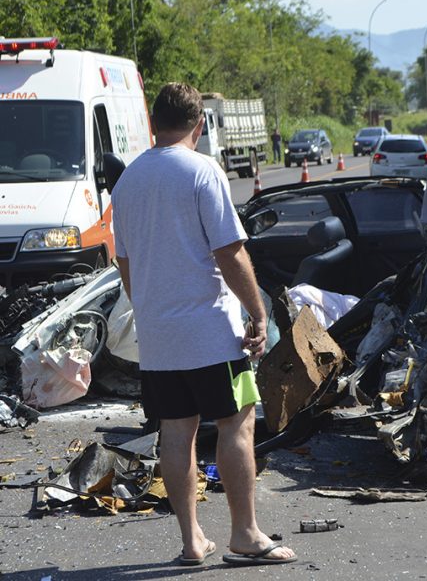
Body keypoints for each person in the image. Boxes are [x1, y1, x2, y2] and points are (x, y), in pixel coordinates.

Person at [111, 82, 296, 568]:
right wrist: (258, 312)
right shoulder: (202, 171)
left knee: (175, 433)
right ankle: (246, 534)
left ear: (153, 124)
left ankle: (192, 541)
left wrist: (150, 311)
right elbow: (230, 252)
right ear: (200, 125)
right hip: (210, 333)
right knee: (237, 423)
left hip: (160, 339)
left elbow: (124, 263)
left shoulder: (127, 182)